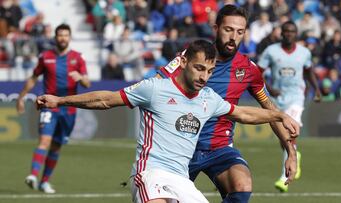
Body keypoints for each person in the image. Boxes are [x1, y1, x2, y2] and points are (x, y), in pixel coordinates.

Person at [36, 39, 300, 203]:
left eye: (209, 71)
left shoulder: (208, 97)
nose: (204, 77)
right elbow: (106, 99)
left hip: (182, 180)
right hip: (149, 174)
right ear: (183, 62)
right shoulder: (155, 88)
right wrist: (60, 101)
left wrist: (279, 115)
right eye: (199, 68)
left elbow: (244, 113)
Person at [157, 5, 297, 202]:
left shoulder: (248, 69)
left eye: (240, 32)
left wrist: (291, 152)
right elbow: (155, 86)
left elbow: (270, 110)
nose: (233, 37)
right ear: (216, 29)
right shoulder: (191, 56)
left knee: (242, 183)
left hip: (219, 148)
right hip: (181, 150)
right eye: (228, 29)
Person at [16, 24, 91, 194]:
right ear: (55, 37)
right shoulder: (45, 57)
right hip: (49, 106)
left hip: (69, 109)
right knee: (44, 141)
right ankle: (33, 175)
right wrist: (21, 97)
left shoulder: (78, 58)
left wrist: (80, 78)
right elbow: (33, 77)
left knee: (56, 146)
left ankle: (44, 182)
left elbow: (87, 83)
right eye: (60, 35)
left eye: (66, 35)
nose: (63, 38)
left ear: (69, 37)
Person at [258, 20, 321, 192]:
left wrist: (316, 90)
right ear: (281, 33)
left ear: (296, 33)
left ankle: (284, 176)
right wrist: (270, 89)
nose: (288, 34)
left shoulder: (304, 52)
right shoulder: (271, 51)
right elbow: (258, 72)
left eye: (292, 31)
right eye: (285, 31)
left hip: (296, 97)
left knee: (290, 132)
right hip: (278, 98)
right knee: (282, 136)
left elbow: (309, 71)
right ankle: (295, 155)